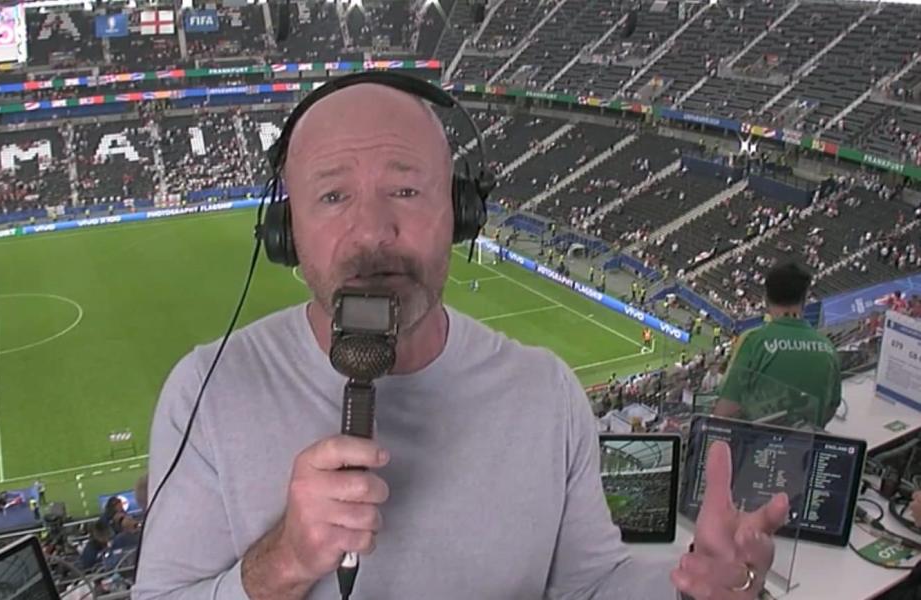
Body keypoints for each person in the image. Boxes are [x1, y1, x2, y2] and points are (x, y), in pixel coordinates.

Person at [133, 76, 788, 600]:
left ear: (461, 213)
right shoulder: (208, 391)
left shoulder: (545, 392)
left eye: (407, 189)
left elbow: (591, 586)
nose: (372, 233)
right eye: (332, 197)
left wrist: (692, 590)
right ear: (284, 236)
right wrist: (281, 564)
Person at [714, 262, 842, 427]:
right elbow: (830, 407)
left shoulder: (754, 341)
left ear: (766, 298)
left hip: (756, 444)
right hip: (805, 444)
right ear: (804, 299)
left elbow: (725, 412)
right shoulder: (828, 348)